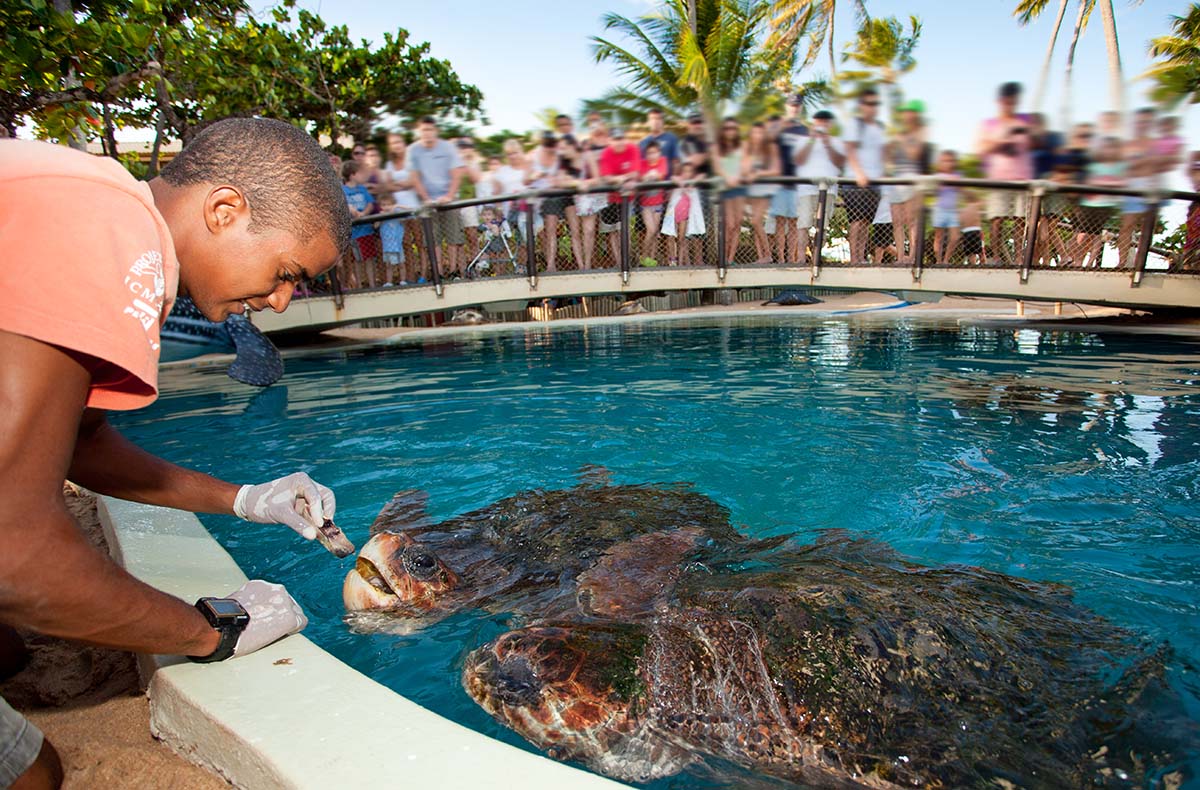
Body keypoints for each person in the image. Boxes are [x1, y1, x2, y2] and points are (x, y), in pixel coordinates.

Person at [0, 118, 351, 789]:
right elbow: (14, 553)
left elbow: (83, 447)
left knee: (9, 653)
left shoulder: (83, 199)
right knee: (32, 775)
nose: (279, 302)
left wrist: (247, 501)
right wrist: (210, 630)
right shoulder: (111, 233)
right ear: (225, 210)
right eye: (285, 273)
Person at [976, 82, 1034, 265]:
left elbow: (1034, 144)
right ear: (1001, 101)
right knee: (997, 219)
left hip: (1021, 178)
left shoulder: (1026, 121)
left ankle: (1018, 258)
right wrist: (1004, 139)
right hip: (998, 179)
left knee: (1020, 219)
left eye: (1014, 101)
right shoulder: (989, 124)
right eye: (1008, 101)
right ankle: (995, 257)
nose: (1011, 105)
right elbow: (982, 148)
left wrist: (1024, 133)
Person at [406, 116, 466, 279]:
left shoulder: (447, 147)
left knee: (454, 238)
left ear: (435, 131)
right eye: (424, 130)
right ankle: (438, 273)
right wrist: (426, 199)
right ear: (419, 132)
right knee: (433, 240)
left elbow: (457, 174)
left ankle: (454, 271)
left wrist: (449, 196)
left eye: (430, 129)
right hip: (428, 203)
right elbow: (414, 177)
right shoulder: (413, 150)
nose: (427, 133)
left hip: (449, 200)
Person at [793, 109, 844, 266]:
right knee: (803, 224)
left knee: (822, 225)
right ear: (813, 123)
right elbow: (798, 160)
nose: (822, 124)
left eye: (825, 121)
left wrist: (827, 143)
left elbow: (840, 163)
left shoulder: (837, 142)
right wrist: (812, 140)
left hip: (828, 190)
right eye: (819, 121)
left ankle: (816, 258)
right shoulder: (803, 140)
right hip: (806, 189)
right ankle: (801, 258)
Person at [843, 87, 887, 263]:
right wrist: (859, 173)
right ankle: (854, 258)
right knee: (856, 219)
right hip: (855, 180)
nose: (873, 107)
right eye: (869, 103)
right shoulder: (854, 123)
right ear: (861, 105)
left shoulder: (879, 127)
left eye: (876, 103)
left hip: (875, 181)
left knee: (866, 221)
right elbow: (850, 149)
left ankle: (861, 257)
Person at [887, 100, 933, 264]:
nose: (906, 115)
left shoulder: (922, 132)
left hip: (913, 181)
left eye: (909, 111)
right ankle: (901, 257)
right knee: (897, 222)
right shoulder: (899, 134)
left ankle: (913, 257)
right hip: (895, 180)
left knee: (912, 222)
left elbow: (915, 154)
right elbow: (890, 159)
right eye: (904, 112)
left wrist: (901, 140)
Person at [1073, 136, 1126, 268]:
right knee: (1083, 233)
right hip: (1089, 203)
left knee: (1097, 234)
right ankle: (1077, 260)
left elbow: (1121, 182)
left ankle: (1090, 262)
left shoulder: (1119, 166)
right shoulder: (1095, 165)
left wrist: (1106, 182)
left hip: (1105, 205)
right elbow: (1088, 180)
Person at [770, 95, 810, 264]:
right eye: (791, 105)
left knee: (794, 223)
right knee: (780, 221)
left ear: (800, 107)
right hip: (780, 182)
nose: (794, 108)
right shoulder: (779, 128)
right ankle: (780, 258)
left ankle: (791, 258)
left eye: (797, 105)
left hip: (797, 184)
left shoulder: (804, 130)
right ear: (787, 107)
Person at [598, 128, 642, 269]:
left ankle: (627, 261)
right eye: (616, 139)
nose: (619, 142)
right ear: (610, 141)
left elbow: (635, 173)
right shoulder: (606, 153)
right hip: (610, 198)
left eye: (621, 138)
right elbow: (607, 177)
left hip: (626, 199)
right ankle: (618, 262)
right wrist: (623, 178)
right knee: (611, 231)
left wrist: (618, 179)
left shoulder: (632, 148)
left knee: (624, 230)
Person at [380, 133, 420, 285]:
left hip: (411, 207)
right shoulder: (390, 164)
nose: (396, 145)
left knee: (418, 244)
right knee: (404, 245)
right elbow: (388, 185)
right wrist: (404, 183)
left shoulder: (411, 161)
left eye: (398, 142)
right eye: (393, 143)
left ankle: (418, 275)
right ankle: (407, 277)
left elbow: (413, 182)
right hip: (395, 210)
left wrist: (399, 184)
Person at [742, 122, 781, 264]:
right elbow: (744, 170)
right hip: (752, 190)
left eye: (760, 133)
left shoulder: (770, 149)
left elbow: (776, 170)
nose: (757, 136)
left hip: (766, 190)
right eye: (755, 133)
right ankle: (761, 256)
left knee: (756, 221)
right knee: (755, 223)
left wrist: (759, 173)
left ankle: (768, 254)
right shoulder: (749, 150)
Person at [528, 131, 566, 273]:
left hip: (553, 197)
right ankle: (545, 263)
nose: (550, 147)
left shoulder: (559, 156)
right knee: (540, 234)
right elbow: (526, 179)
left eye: (552, 144)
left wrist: (555, 180)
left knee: (551, 231)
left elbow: (563, 177)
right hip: (537, 201)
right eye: (547, 144)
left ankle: (551, 265)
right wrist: (536, 175)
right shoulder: (533, 155)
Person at [342, 160, 379, 289]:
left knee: (369, 259)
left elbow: (370, 203)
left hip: (366, 230)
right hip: (354, 234)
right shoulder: (343, 190)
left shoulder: (362, 189)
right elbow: (346, 205)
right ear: (352, 175)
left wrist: (363, 213)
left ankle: (372, 284)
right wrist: (354, 212)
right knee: (357, 260)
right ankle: (359, 286)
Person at [662, 161, 705, 265]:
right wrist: (680, 182)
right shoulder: (678, 181)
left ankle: (680, 262)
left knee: (681, 239)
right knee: (670, 237)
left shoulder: (692, 185)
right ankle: (672, 260)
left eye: (689, 171)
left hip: (684, 216)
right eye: (684, 171)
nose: (687, 173)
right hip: (672, 214)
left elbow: (702, 176)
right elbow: (673, 178)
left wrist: (692, 182)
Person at [638, 140, 669, 266]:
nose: (652, 155)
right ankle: (643, 256)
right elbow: (641, 177)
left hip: (658, 203)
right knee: (651, 229)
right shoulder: (642, 164)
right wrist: (649, 176)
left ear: (659, 153)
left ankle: (652, 258)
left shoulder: (663, 161)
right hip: (645, 204)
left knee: (655, 231)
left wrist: (650, 176)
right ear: (646, 154)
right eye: (649, 153)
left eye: (654, 152)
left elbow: (660, 174)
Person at [931, 150, 961, 265]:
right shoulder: (938, 176)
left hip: (952, 211)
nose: (948, 163)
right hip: (940, 209)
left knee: (955, 237)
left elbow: (961, 189)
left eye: (950, 161)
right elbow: (934, 191)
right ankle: (938, 261)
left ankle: (946, 260)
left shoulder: (957, 175)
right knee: (939, 236)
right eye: (944, 161)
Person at [638, 108, 679, 175]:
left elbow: (676, 161)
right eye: (652, 119)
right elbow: (640, 164)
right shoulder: (643, 142)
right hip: (648, 183)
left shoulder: (671, 138)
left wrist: (674, 178)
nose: (655, 122)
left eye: (658, 119)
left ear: (663, 121)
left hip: (668, 182)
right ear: (648, 122)